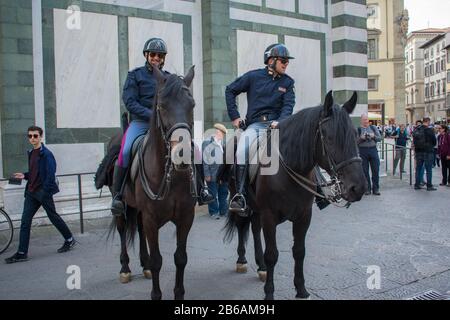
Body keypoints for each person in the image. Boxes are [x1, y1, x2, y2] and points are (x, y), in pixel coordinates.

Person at [225, 43, 331, 216]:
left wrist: (280, 121)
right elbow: (230, 90)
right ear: (271, 60)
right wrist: (235, 117)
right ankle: (240, 195)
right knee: (242, 150)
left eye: (287, 62)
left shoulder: (288, 82)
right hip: (256, 125)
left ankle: (320, 191)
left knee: (305, 147)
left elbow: (288, 105)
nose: (285, 64)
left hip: (280, 125)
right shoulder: (253, 77)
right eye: (283, 61)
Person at [110, 38, 213, 216]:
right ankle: (118, 195)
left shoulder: (168, 79)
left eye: (160, 55)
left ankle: (201, 189)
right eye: (153, 54)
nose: (156, 58)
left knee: (194, 149)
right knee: (126, 150)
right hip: (141, 123)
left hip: (165, 125)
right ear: (146, 55)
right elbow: (130, 102)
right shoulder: (135, 75)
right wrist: (151, 115)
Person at [5, 126, 75, 264]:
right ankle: (22, 252)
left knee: (53, 216)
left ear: (41, 137)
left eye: (35, 136)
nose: (32, 138)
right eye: (30, 136)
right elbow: (34, 173)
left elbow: (50, 175)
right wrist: (24, 175)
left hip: (42, 192)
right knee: (25, 221)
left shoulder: (47, 154)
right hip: (31, 192)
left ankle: (69, 239)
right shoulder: (31, 152)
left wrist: (46, 193)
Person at [202, 123, 229, 219]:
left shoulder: (223, 143)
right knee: (213, 193)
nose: (223, 136)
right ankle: (214, 212)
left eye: (223, 134)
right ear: (217, 132)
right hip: (212, 173)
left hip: (222, 174)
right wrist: (207, 174)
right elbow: (205, 161)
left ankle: (223, 211)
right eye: (222, 134)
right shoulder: (207, 143)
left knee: (223, 193)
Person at [357, 114, 382, 195]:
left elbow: (379, 138)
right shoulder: (358, 129)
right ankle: (367, 189)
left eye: (367, 119)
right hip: (362, 151)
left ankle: (376, 189)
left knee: (375, 170)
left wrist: (373, 136)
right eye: (364, 119)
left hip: (373, 150)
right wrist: (361, 138)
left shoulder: (373, 128)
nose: (366, 121)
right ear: (361, 120)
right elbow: (355, 142)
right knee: (365, 171)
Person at [413, 117, 437, 191]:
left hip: (418, 152)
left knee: (418, 169)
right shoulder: (429, 130)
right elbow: (434, 141)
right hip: (428, 152)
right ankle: (429, 186)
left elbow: (414, 140)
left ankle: (417, 185)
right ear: (428, 122)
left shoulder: (416, 129)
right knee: (428, 169)